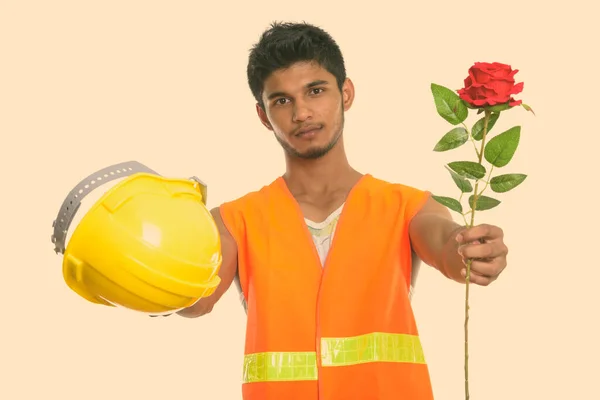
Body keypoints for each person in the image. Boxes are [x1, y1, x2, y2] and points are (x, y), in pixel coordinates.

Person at [176, 21, 509, 400]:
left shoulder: (406, 206)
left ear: (346, 93)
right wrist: (149, 266)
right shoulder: (233, 220)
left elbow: (443, 242)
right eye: (281, 100)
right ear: (263, 116)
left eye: (315, 91)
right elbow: (196, 300)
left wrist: (466, 249)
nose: (301, 112)